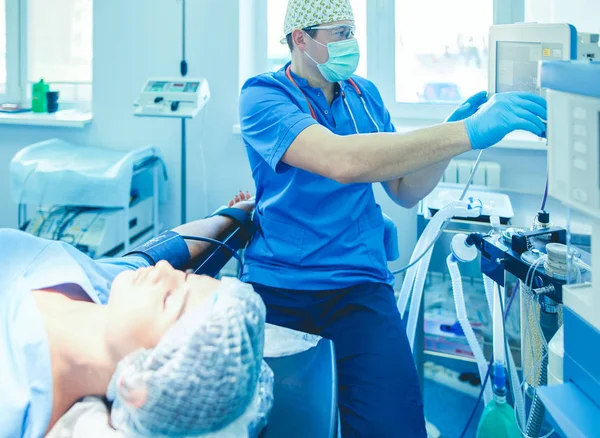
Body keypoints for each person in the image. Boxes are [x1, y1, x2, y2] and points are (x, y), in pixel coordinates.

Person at [238, 1, 547, 437]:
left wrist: (449, 144)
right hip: (283, 286)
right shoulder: (263, 95)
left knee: (396, 423)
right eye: (338, 33)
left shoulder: (363, 95)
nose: (351, 43)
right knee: (289, 422)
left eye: (352, 31)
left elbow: (405, 190)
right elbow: (340, 160)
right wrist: (468, 131)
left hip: (358, 285)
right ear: (299, 39)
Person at [0, 192, 258, 438]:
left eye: (169, 299)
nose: (165, 270)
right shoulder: (105, 284)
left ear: (143, 382)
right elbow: (170, 248)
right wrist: (231, 216)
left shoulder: (15, 403)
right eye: (186, 276)